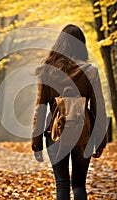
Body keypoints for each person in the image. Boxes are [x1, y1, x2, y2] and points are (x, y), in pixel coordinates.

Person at [31, 24, 107, 200]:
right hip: (84, 133)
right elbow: (99, 109)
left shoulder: (47, 71)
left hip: (55, 131)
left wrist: (36, 142)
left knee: (62, 184)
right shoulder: (91, 72)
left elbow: (40, 109)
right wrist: (100, 140)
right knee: (79, 184)